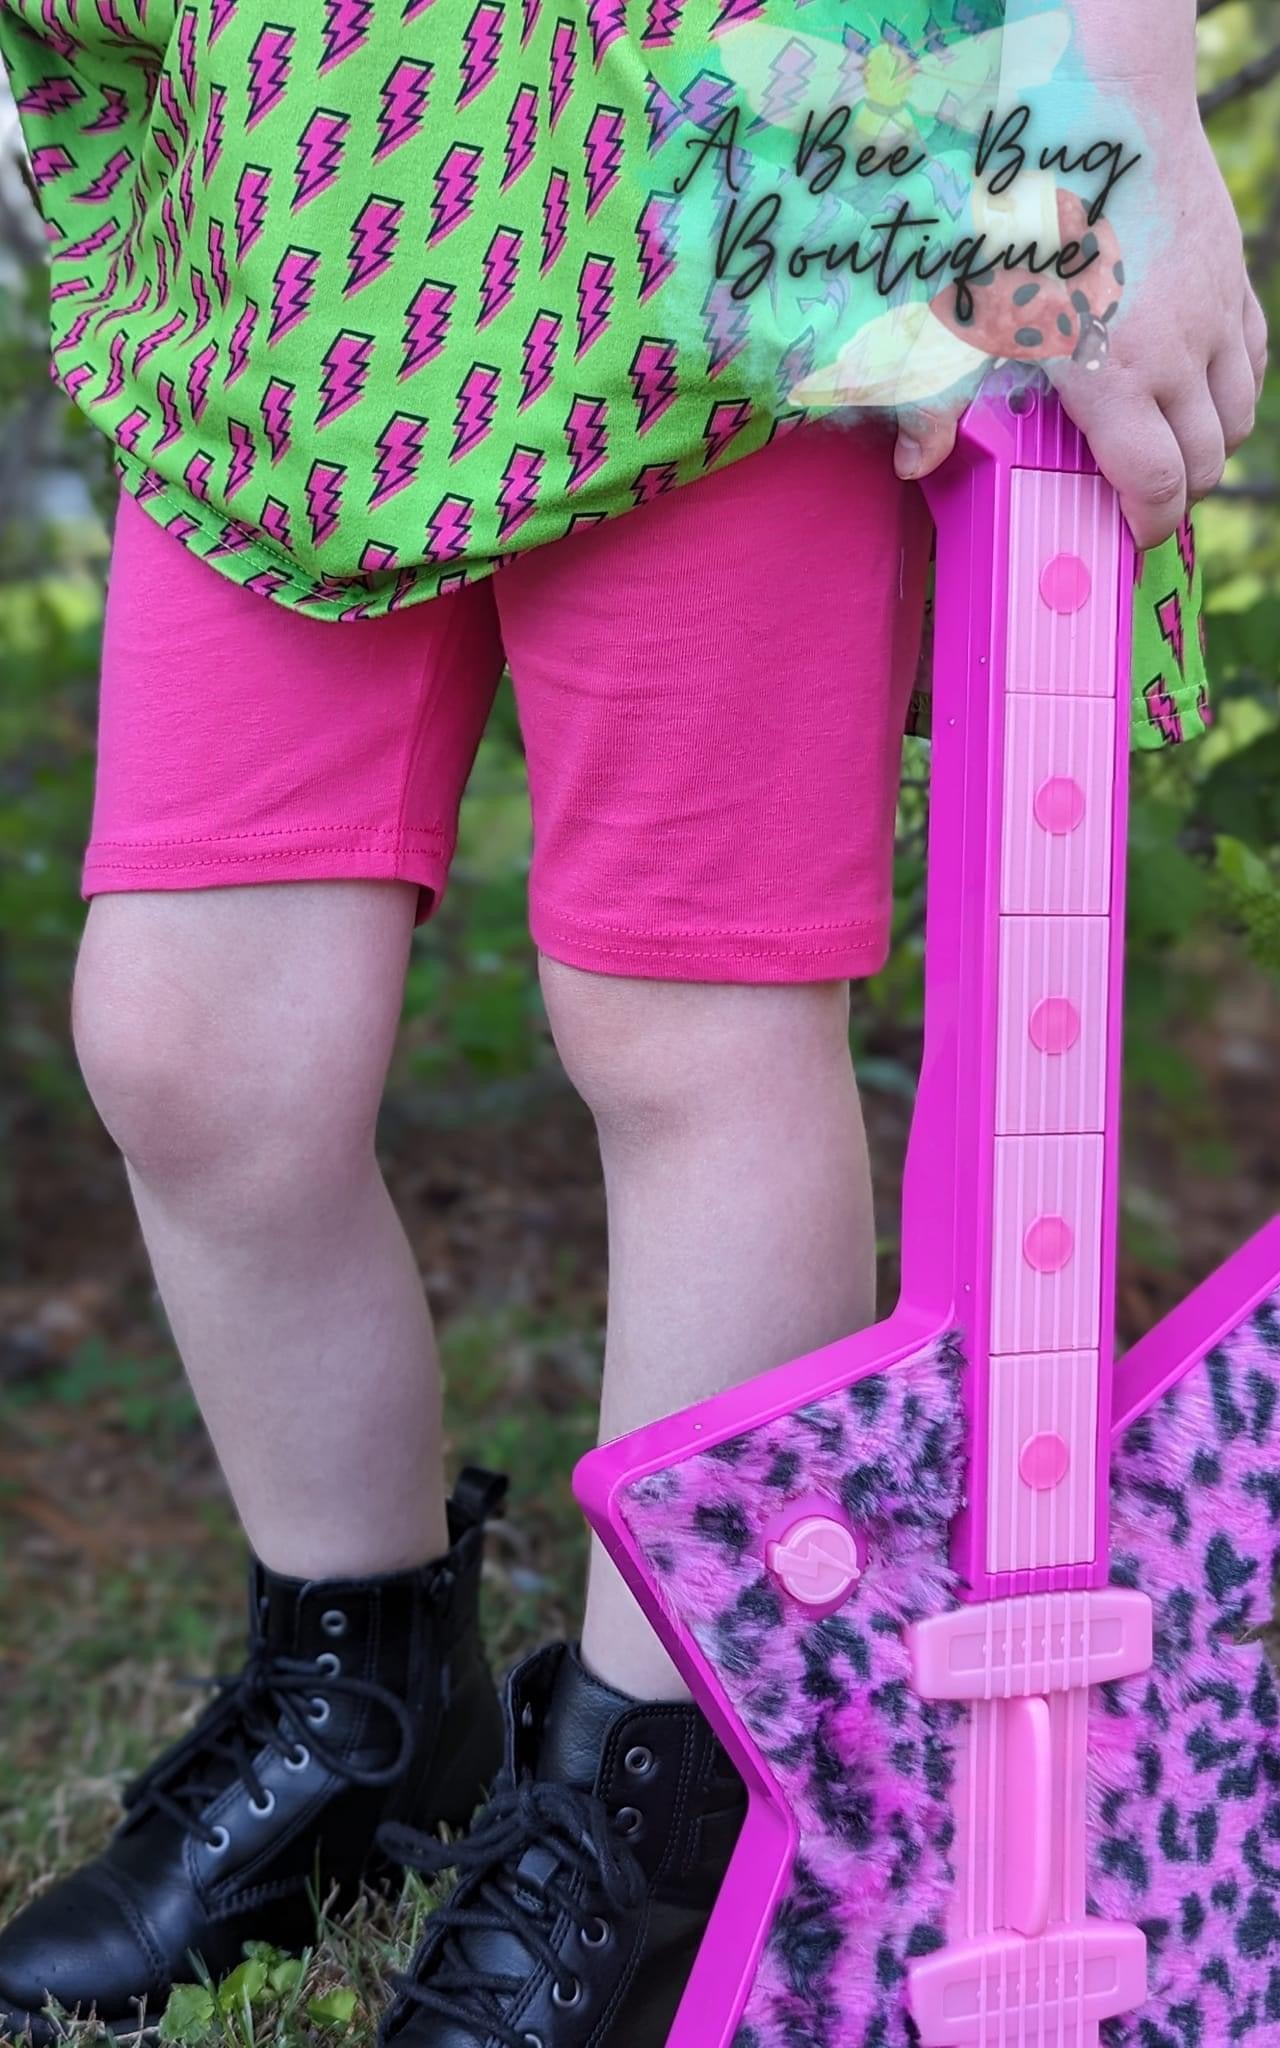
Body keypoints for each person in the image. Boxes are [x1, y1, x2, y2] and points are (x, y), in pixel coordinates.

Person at [0, 0, 1266, 2043]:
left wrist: (1107, 95)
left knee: (686, 1018)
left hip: (743, 126)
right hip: (302, 156)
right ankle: (359, 1695)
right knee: (191, 1043)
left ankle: (643, 1787)